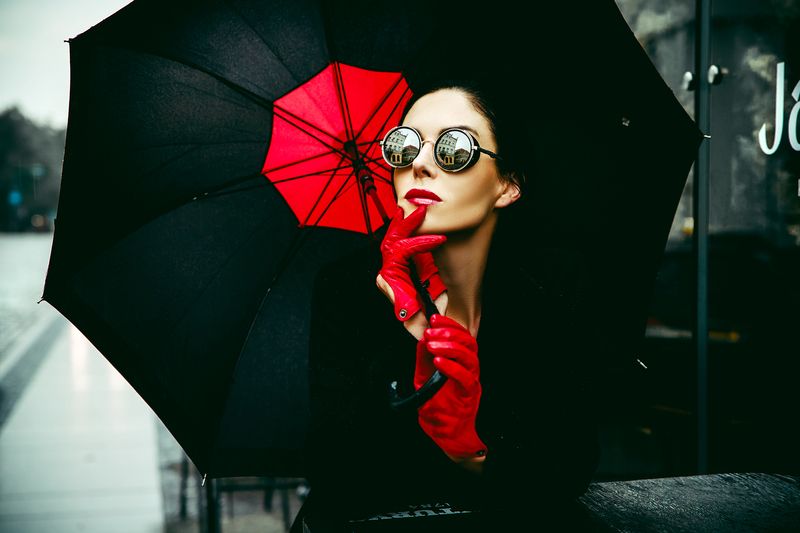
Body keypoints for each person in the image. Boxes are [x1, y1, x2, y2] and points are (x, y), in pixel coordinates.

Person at [297, 81, 600, 531]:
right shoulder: (347, 287)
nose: (418, 164)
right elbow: (335, 475)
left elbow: (569, 466)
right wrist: (413, 324)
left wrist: (467, 448)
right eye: (403, 146)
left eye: (453, 149)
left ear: (507, 185)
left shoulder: (550, 286)